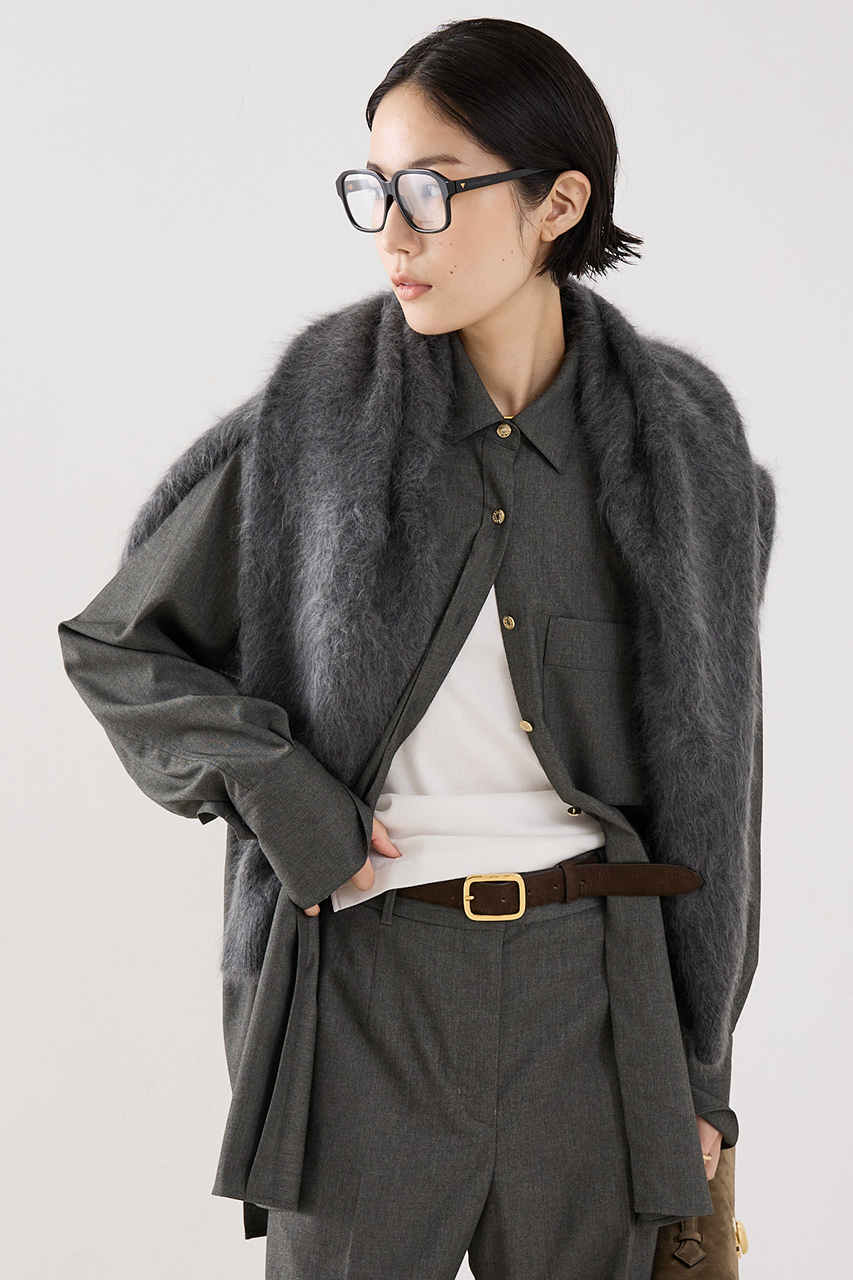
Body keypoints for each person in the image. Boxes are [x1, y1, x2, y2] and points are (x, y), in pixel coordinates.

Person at [58, 17, 776, 1280]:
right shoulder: (313, 424)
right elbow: (118, 646)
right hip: (363, 998)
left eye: (433, 189)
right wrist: (278, 785)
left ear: (558, 203)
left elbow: (723, 777)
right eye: (374, 188)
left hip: (596, 1016)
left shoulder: (682, 449)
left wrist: (701, 1075)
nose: (393, 231)